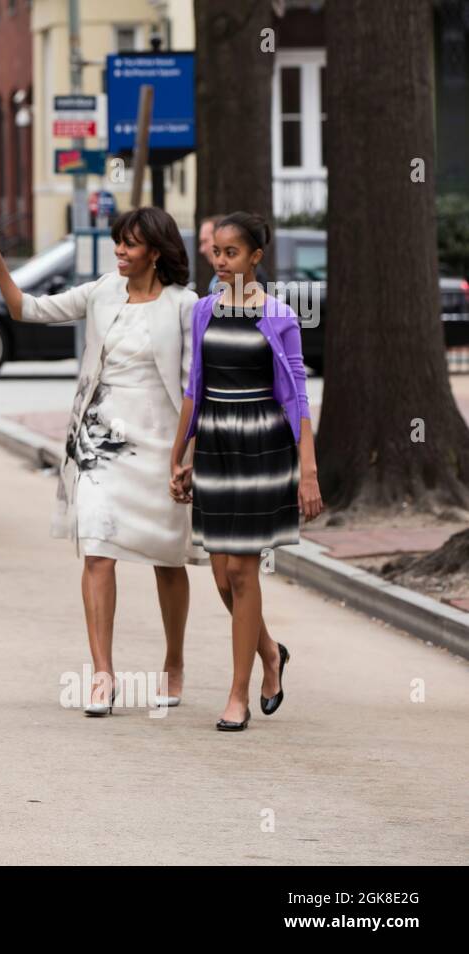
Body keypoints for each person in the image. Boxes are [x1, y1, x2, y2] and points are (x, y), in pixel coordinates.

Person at [0, 204, 199, 716]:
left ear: (155, 253)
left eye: (130, 244)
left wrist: (187, 456)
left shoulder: (186, 305)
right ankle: (102, 673)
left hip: (162, 444)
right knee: (97, 547)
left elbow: (193, 386)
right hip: (99, 444)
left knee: (167, 557)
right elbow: (26, 309)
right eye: (118, 241)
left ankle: (174, 663)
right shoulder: (101, 291)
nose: (119, 250)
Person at [169, 211, 323, 732]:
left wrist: (308, 472)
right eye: (215, 252)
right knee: (219, 573)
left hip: (262, 447)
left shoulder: (279, 315)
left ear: (256, 258)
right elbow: (195, 385)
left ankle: (238, 693)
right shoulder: (203, 312)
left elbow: (298, 395)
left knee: (242, 569)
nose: (220, 260)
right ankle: (270, 651)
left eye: (231, 252)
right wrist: (180, 452)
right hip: (215, 444)